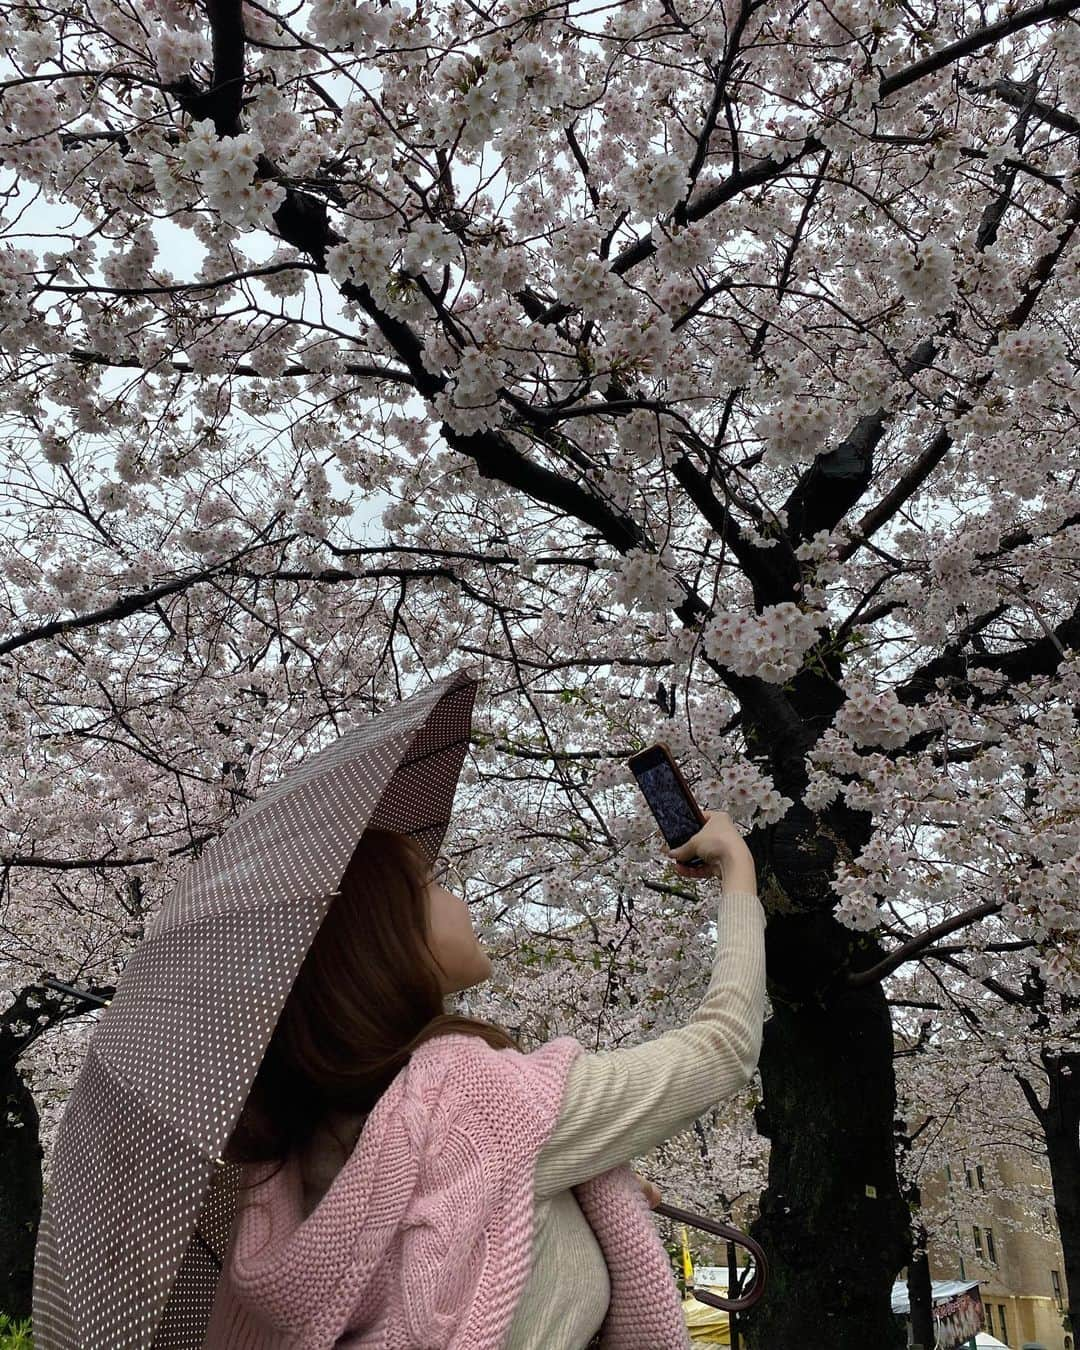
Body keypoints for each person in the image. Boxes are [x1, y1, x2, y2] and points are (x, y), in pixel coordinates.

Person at [211, 810, 767, 1349]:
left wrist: (575, 1199)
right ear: (384, 936)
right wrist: (737, 871)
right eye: (433, 884)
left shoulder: (289, 1165)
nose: (459, 900)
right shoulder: (476, 1100)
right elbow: (721, 1047)